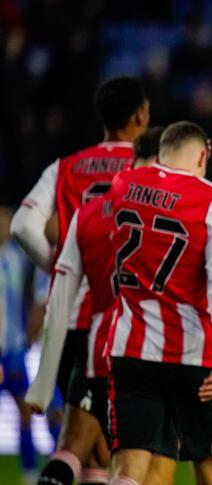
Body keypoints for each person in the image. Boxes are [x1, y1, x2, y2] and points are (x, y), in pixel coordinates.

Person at [11, 76, 149, 485]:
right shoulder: (149, 168)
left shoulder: (66, 167)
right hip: (127, 318)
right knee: (123, 448)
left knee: (90, 447)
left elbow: (21, 226)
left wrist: (62, 266)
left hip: (71, 317)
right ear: (141, 115)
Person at [26, 127, 177, 485]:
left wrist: (43, 385)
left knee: (76, 448)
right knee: (142, 465)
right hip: (152, 346)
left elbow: (58, 293)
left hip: (97, 339)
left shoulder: (92, 211)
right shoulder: (176, 209)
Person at [106, 122, 212, 485]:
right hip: (194, 355)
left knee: (127, 470)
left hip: (130, 349)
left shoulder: (122, 185)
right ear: (204, 153)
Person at [0, 205, 45, 485]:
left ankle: (29, 472)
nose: (4, 226)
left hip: (13, 350)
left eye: (6, 222)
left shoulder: (17, 257)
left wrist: (27, 338)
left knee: (25, 411)